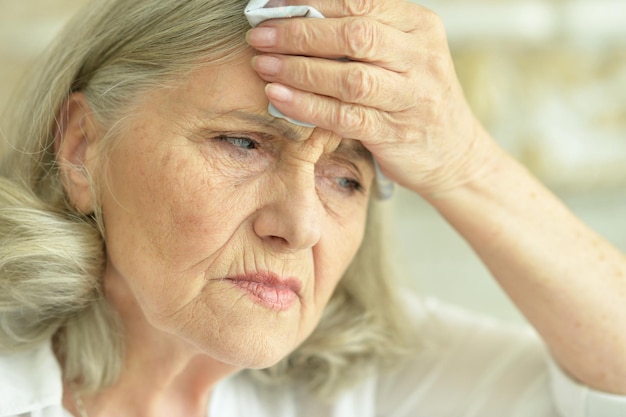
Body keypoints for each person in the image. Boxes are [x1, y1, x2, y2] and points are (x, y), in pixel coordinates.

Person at [1, 0, 625, 416]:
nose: (299, 227)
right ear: (81, 148)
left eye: (345, 178)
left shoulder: (359, 387)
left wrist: (464, 162)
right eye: (243, 143)